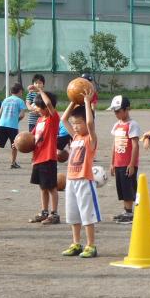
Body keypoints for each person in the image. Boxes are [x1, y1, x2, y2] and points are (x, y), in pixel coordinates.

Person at [60, 90, 101, 258]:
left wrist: (86, 103)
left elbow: (90, 124)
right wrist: (73, 101)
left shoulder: (90, 139)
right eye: (74, 123)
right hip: (71, 180)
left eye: (79, 123)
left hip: (85, 181)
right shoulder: (75, 137)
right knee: (73, 215)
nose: (75, 126)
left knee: (87, 215)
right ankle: (76, 243)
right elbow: (63, 119)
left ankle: (91, 245)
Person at [28, 88, 60, 225]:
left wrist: (40, 90)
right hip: (38, 157)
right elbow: (32, 137)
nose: (38, 109)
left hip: (48, 157)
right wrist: (19, 142)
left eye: (40, 106)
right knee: (42, 187)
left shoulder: (53, 118)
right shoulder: (40, 119)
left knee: (51, 187)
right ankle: (44, 211)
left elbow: (48, 104)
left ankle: (54, 214)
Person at [107, 95, 140, 224]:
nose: (116, 114)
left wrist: (132, 164)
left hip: (128, 163)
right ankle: (126, 210)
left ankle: (130, 212)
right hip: (118, 162)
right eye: (114, 111)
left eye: (118, 111)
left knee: (129, 188)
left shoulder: (132, 125)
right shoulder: (117, 125)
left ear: (127, 109)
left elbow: (135, 145)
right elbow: (114, 144)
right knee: (121, 188)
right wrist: (112, 163)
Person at [0, 83, 26, 169]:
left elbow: (0, 113)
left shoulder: (5, 100)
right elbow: (22, 115)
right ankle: (13, 162)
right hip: (13, 126)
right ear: (20, 91)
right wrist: (16, 120)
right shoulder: (20, 101)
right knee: (14, 144)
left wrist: (3, 119)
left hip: (2, 124)